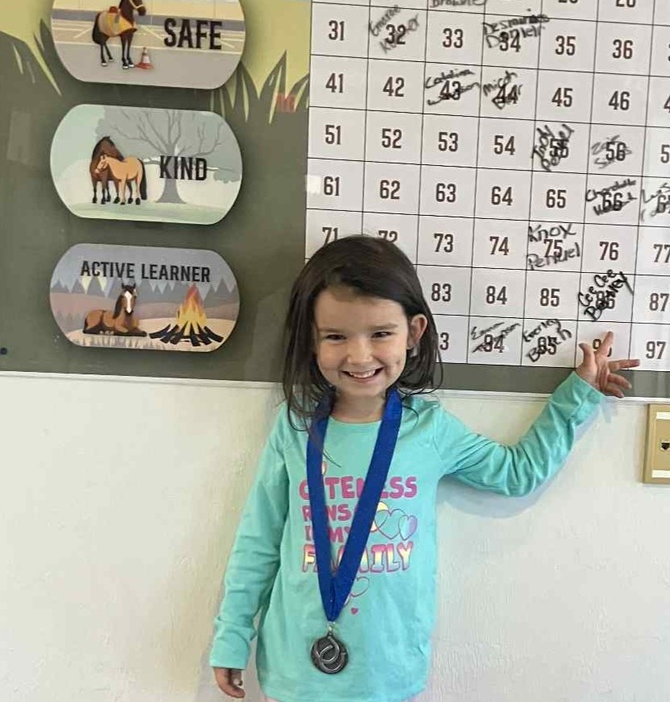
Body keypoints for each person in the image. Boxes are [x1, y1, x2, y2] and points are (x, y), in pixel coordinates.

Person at [210, 234, 638, 702]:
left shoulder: (428, 430)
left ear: (413, 333)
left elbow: (518, 472)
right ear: (312, 340)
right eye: (336, 336)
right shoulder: (294, 427)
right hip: (295, 673)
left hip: (388, 674)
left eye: (380, 333)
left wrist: (577, 396)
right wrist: (232, 638)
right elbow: (258, 542)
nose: (359, 355)